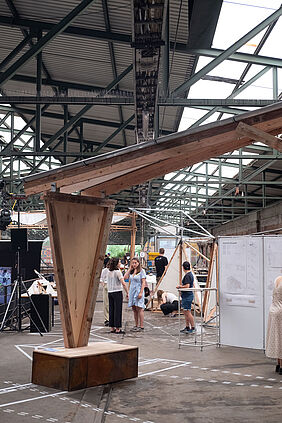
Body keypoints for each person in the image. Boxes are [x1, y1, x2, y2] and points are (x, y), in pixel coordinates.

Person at [124, 256, 146, 332]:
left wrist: (141, 292)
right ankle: (136, 324)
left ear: (138, 263)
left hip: (138, 290)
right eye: (132, 263)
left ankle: (141, 325)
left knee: (140, 308)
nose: (134, 264)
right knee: (134, 308)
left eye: (135, 263)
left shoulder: (142, 271)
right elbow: (125, 277)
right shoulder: (131, 271)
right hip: (132, 291)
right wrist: (130, 268)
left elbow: (143, 282)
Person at [107, 257, 129, 334]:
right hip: (117, 292)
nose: (120, 263)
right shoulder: (118, 272)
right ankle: (117, 328)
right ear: (116, 264)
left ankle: (112, 327)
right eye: (119, 262)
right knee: (117, 310)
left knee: (111, 309)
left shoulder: (109, 271)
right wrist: (127, 292)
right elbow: (123, 283)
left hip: (110, 292)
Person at [266, 275, 282, 375]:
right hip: (281, 312)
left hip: (273, 310)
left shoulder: (277, 278)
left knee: (277, 338)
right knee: (281, 339)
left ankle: (278, 364)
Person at [176, 261, 195, 334]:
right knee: (185, 311)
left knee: (187, 312)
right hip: (186, 295)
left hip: (187, 296)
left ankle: (193, 327)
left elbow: (187, 286)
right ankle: (187, 326)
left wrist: (180, 286)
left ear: (183, 267)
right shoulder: (190, 275)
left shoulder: (187, 275)